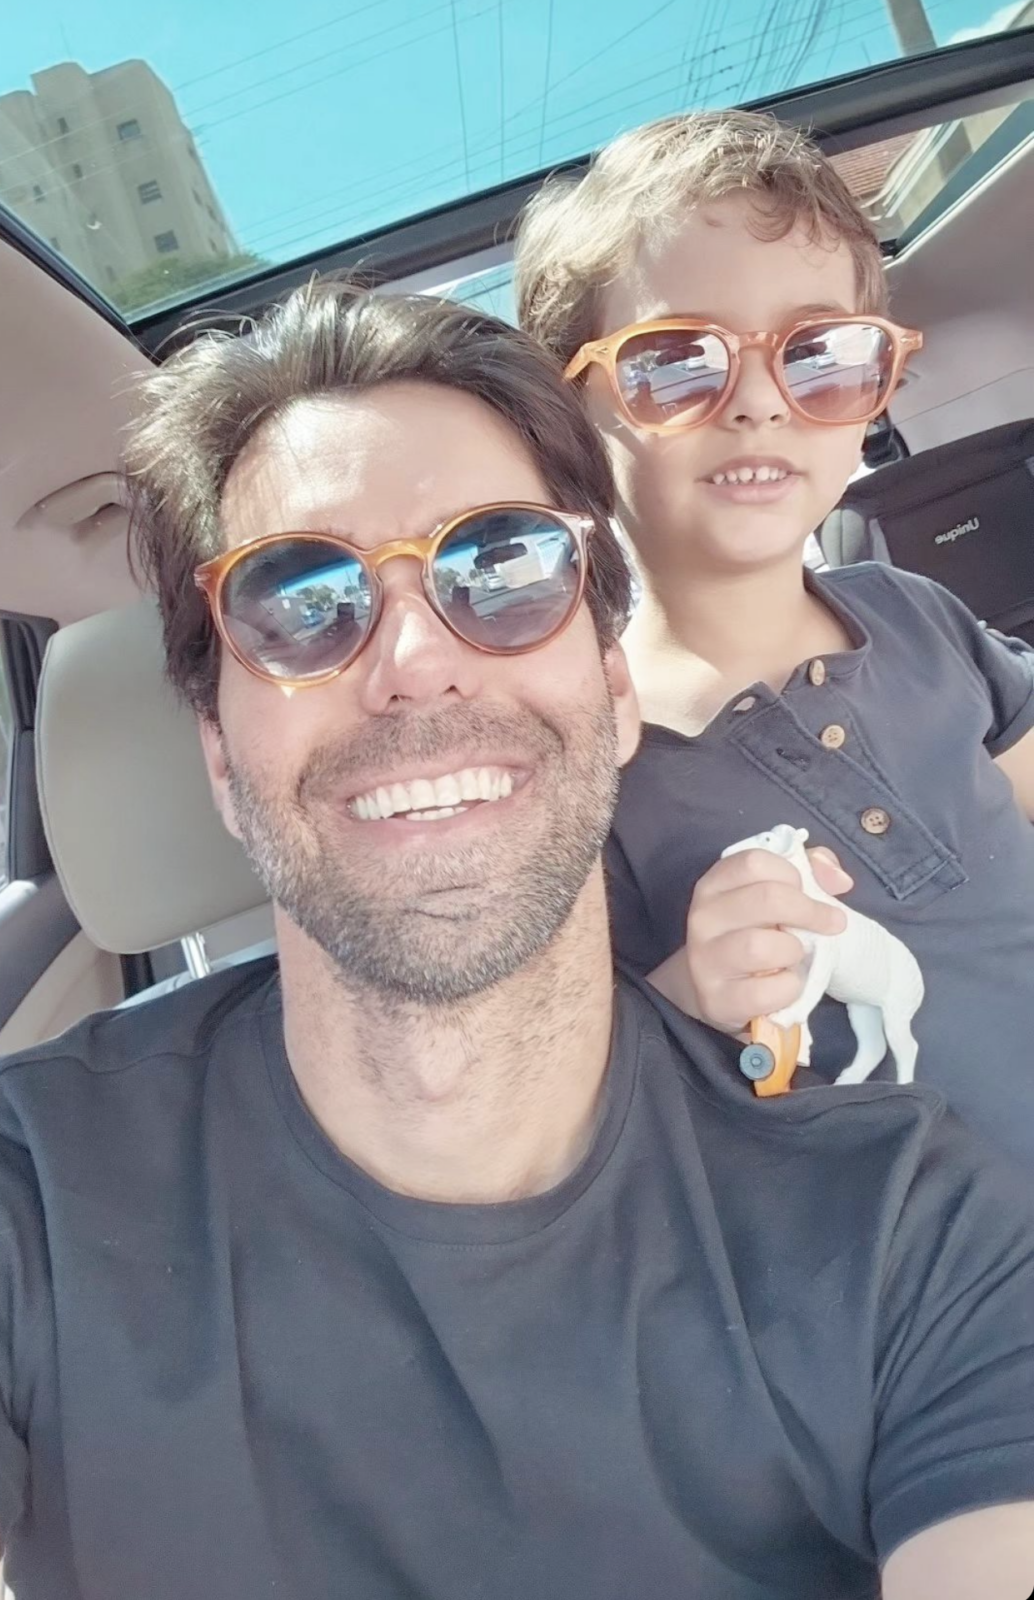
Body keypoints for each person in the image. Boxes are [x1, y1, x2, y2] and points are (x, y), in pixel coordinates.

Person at [0, 282, 1031, 1599]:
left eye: (504, 566)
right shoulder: (34, 1194)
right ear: (217, 755)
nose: (414, 662)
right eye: (299, 599)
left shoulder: (911, 1234)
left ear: (612, 691)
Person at [515, 109, 1034, 1169]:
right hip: (914, 1252)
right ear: (570, 418)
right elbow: (583, 1106)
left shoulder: (912, 609)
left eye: (822, 355)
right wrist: (683, 998)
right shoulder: (579, 760)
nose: (758, 400)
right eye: (674, 363)